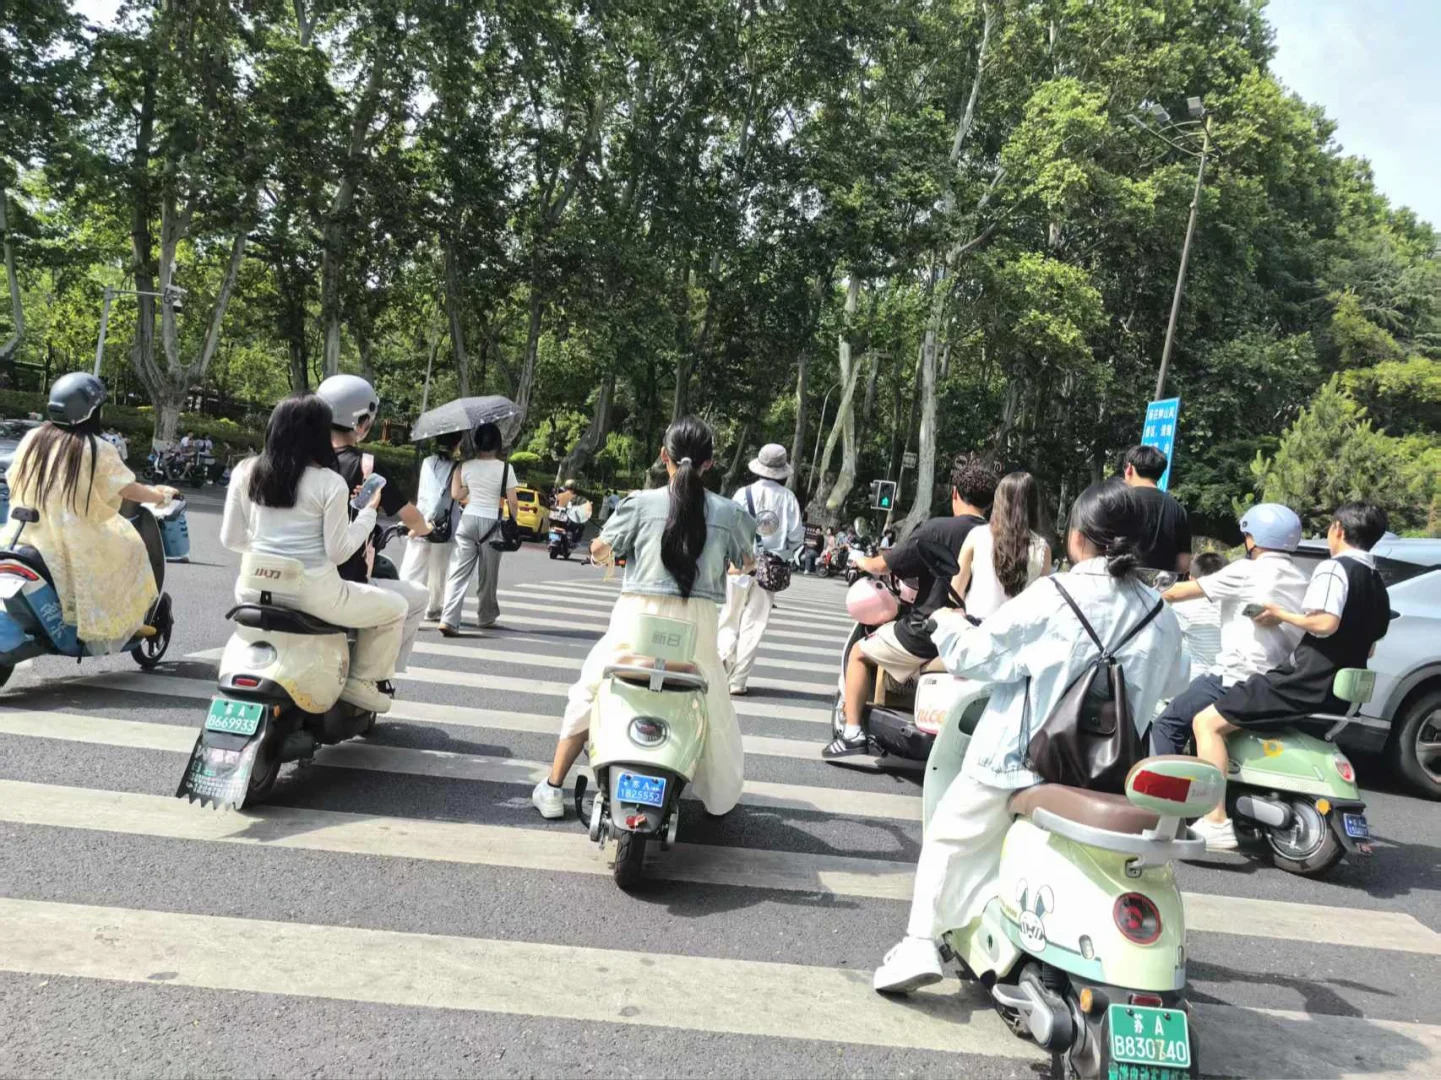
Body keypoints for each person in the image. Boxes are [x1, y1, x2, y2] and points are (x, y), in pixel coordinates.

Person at [872, 480, 1186, 993]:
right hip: (1107, 775)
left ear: (1077, 536)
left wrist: (947, 623)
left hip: (1018, 763)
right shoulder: (1160, 614)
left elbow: (976, 657)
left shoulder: (1055, 595)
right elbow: (1174, 681)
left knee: (951, 836)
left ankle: (920, 944)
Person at [531, 416, 755, 820]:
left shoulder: (638, 503)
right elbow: (747, 561)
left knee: (592, 689)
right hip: (698, 629)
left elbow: (602, 548)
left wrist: (607, 553)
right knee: (711, 700)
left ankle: (553, 785)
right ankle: (713, 793)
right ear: (709, 463)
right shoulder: (729, 512)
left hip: (636, 620)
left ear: (662, 456)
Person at [1187, 502, 1392, 851]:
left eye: (1330, 527)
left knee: (1206, 723)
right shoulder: (1377, 583)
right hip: (1342, 692)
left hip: (1305, 681)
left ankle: (1215, 820)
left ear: (1338, 530)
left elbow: (1326, 624)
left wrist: (1280, 614)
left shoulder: (1334, 568)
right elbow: (1370, 647)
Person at [221, 393, 409, 713]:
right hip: (313, 594)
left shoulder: (245, 470)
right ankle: (361, 681)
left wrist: (271, 552)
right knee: (396, 606)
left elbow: (231, 538)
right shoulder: (328, 482)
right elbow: (339, 552)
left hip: (252, 588)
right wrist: (369, 513)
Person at [824, 454, 998, 759]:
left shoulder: (938, 529)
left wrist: (858, 559)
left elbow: (883, 564)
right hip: (980, 633)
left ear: (954, 492)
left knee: (860, 653)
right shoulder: (998, 536)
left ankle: (852, 734)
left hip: (928, 632)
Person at [0, 373, 177, 649]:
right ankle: (117, 624)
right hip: (72, 538)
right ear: (92, 412)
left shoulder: (34, 437)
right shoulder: (96, 448)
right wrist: (160, 496)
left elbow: (11, 472)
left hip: (22, 532)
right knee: (131, 548)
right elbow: (127, 489)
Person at [1150, 505, 1311, 760]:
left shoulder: (1246, 571)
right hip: (1278, 683)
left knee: (1166, 724)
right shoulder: (1303, 578)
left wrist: (1146, 595)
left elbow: (1179, 592)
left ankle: (1163, 797)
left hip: (1235, 677)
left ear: (1253, 539)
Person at [316, 375, 430, 673]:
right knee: (417, 598)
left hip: (298, 572)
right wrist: (423, 529)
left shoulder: (305, 460)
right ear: (362, 423)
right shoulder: (367, 467)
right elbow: (410, 516)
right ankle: (374, 675)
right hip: (343, 579)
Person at [717, 443, 805, 695]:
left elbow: (728, 527)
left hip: (739, 565)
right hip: (770, 569)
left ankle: (722, 667)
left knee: (729, 618)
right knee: (754, 624)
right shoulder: (789, 499)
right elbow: (797, 538)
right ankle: (738, 681)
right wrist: (779, 553)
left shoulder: (742, 494)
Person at [438, 422, 519, 635]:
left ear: (477, 443)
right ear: (498, 444)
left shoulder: (464, 466)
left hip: (468, 521)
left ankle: (448, 618)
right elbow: (513, 502)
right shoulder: (506, 469)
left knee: (458, 573)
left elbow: (457, 495)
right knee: (488, 574)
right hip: (492, 524)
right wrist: (514, 523)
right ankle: (485, 616)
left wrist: (470, 485)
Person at [950, 470, 1051, 621]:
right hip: (1019, 636)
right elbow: (1042, 602)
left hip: (976, 629)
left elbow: (954, 593)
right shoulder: (1043, 549)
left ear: (999, 500)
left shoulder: (977, 536)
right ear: (1033, 504)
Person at [400, 432, 463, 621]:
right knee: (439, 569)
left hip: (422, 518)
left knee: (413, 566)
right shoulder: (458, 467)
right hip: (446, 525)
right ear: (457, 444)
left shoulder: (427, 462)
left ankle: (404, 602)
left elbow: (426, 495)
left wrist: (417, 524)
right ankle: (433, 607)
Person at [1120, 445, 1191, 577]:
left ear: (1129, 468)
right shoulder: (1178, 509)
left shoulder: (1117, 501)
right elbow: (1184, 562)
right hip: (1160, 589)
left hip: (1122, 586)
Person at [1167, 550, 1227, 677]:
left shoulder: (1180, 607)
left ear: (1191, 578)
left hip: (1195, 681)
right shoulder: (1236, 606)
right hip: (1233, 680)